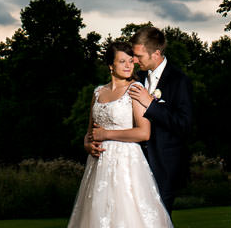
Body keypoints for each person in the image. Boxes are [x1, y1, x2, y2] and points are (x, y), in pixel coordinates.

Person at [67, 40, 173, 228]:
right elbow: (90, 132)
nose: (128, 66)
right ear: (110, 65)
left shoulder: (135, 90)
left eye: (131, 61)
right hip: (98, 165)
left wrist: (106, 134)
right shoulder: (98, 92)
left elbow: (144, 133)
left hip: (126, 163)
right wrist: (87, 144)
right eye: (122, 61)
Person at [129, 25, 193, 211]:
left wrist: (151, 105)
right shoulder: (136, 79)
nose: (134, 60)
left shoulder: (179, 81)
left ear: (156, 54)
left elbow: (184, 125)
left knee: (159, 220)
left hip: (165, 167)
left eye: (139, 56)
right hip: (136, 163)